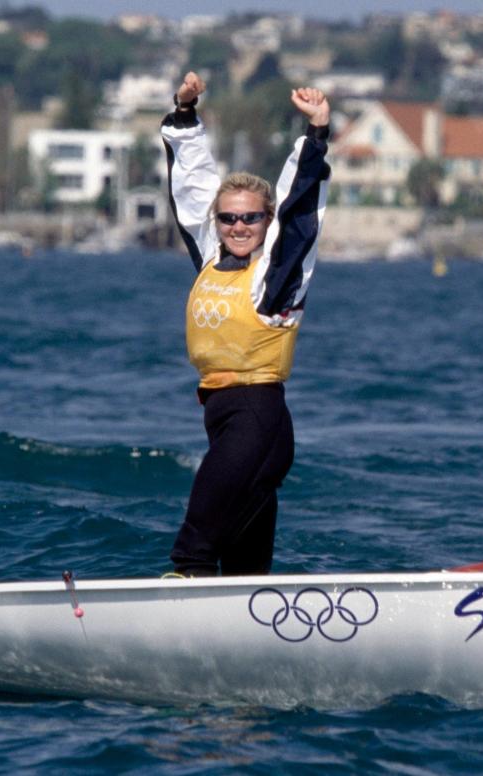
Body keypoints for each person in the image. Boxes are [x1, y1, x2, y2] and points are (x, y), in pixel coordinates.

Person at [160, 72, 331, 577]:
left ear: (265, 223)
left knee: (199, 536)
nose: (238, 227)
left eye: (251, 219)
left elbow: (298, 212)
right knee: (244, 568)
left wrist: (317, 134)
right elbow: (192, 189)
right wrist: (185, 114)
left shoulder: (275, 278)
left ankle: (182, 580)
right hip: (220, 414)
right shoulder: (211, 256)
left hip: (259, 418)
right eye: (229, 218)